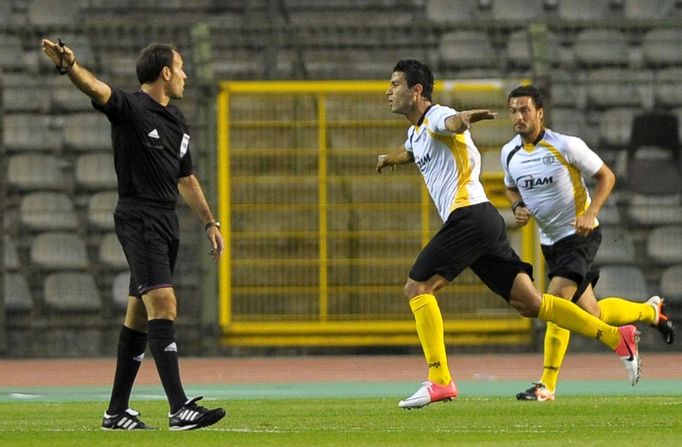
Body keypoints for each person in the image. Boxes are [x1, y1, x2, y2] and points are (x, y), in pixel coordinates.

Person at [377, 59, 641, 410]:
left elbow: (451, 123)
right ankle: (616, 336)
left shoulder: (438, 115)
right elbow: (411, 152)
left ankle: (440, 379)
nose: (388, 91)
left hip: (468, 216)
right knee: (530, 303)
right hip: (483, 221)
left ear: (417, 91)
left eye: (394, 84)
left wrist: (464, 119)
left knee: (417, 287)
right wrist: (388, 158)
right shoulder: (415, 132)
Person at [41, 38, 226, 430]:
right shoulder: (130, 108)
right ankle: (179, 408)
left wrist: (210, 221)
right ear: (164, 72)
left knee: (138, 319)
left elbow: (186, 177)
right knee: (164, 302)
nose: (185, 75)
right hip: (138, 216)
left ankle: (116, 411)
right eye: (180, 67)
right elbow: (96, 88)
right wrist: (70, 66)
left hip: (165, 221)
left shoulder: (176, 119)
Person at [501, 85, 674, 402]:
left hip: (580, 236)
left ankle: (546, 385)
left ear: (540, 113)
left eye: (525, 109)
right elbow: (510, 187)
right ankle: (651, 312)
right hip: (550, 243)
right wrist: (516, 207)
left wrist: (590, 212)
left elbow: (606, 176)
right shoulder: (509, 152)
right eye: (513, 110)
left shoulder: (566, 145)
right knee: (592, 312)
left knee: (555, 306)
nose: (519, 116)